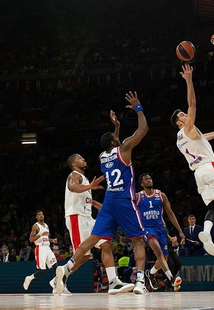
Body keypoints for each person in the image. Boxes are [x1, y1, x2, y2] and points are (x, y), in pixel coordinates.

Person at [55, 91, 149, 295]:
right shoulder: (122, 150)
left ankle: (69, 267)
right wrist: (138, 108)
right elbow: (143, 129)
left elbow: (113, 143)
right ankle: (140, 282)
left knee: (97, 241)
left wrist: (116, 127)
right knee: (138, 240)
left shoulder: (102, 156)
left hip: (108, 203)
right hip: (124, 200)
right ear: (116, 142)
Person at [172, 64, 214, 258]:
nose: (186, 115)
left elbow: (202, 138)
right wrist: (188, 81)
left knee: (213, 207)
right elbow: (192, 104)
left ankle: (207, 233)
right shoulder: (188, 127)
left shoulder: (180, 138)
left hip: (198, 175)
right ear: (179, 123)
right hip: (211, 168)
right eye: (182, 116)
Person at [62, 152, 131, 295]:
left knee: (105, 243)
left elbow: (82, 196)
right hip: (77, 217)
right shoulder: (74, 175)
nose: (84, 159)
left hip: (88, 217)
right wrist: (90, 187)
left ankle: (113, 282)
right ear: (74, 164)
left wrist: (95, 203)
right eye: (80, 158)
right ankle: (60, 278)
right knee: (82, 256)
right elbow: (73, 187)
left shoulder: (85, 178)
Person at [136, 173, 185, 292]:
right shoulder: (138, 196)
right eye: (146, 179)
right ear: (142, 184)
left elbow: (170, 214)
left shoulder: (161, 195)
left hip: (160, 229)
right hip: (147, 228)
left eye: (150, 178)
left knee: (164, 257)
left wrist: (180, 231)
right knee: (158, 251)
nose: (149, 180)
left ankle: (150, 273)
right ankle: (172, 279)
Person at [23, 210, 59, 292]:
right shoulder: (35, 226)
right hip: (40, 248)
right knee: (42, 271)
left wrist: (52, 240)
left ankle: (55, 285)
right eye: (39, 215)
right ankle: (29, 278)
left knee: (56, 266)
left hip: (47, 248)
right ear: (36, 217)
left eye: (42, 214)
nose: (41, 216)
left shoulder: (46, 225)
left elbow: (45, 238)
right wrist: (40, 234)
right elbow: (31, 240)